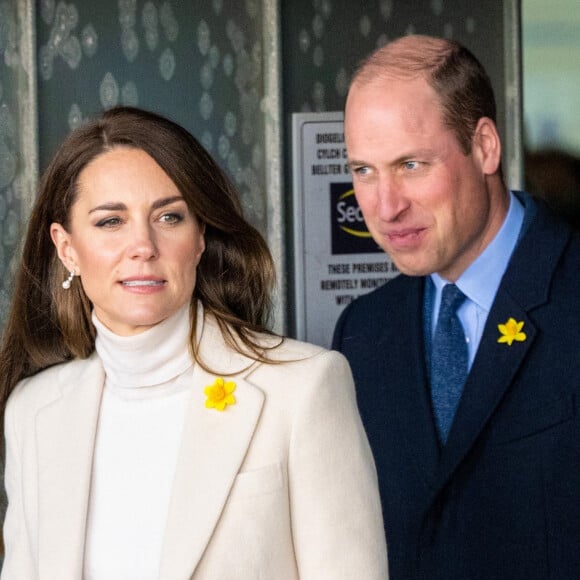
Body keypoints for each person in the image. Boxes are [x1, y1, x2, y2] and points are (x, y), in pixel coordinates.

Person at [0, 106, 388, 579]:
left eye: (168, 216)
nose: (143, 245)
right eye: (110, 222)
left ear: (200, 237)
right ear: (67, 248)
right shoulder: (32, 411)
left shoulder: (303, 388)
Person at [332, 34, 580, 580]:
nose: (385, 206)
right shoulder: (363, 333)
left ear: (485, 146)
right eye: (364, 171)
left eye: (412, 165)